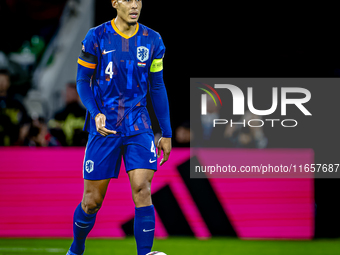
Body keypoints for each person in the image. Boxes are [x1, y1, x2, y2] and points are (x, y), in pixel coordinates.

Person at [66, 1, 172, 255]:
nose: (134, 5)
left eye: (138, 0)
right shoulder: (96, 37)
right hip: (104, 129)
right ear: (115, 3)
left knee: (142, 188)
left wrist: (166, 133)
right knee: (91, 203)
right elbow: (82, 80)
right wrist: (96, 113)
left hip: (139, 126)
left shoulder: (153, 40)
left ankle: (144, 253)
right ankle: (77, 248)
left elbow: (157, 87)